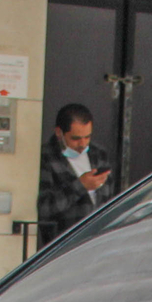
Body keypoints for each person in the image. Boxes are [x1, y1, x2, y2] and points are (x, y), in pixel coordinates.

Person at [38, 103, 113, 245]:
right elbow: (45, 209)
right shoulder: (46, 157)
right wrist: (80, 185)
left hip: (98, 240)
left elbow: (109, 199)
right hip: (64, 243)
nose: (83, 144)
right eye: (75, 138)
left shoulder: (99, 154)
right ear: (59, 133)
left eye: (87, 137)